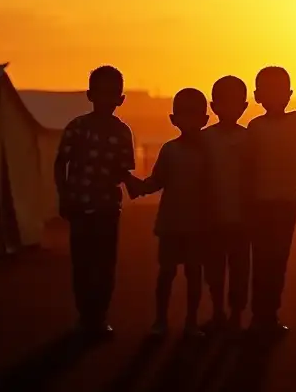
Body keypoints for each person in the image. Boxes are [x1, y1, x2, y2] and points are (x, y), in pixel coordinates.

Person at [246, 45, 296, 339]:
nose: (276, 96)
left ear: (289, 95)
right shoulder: (255, 127)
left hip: (285, 204)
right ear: (258, 97)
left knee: (277, 261)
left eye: (280, 90)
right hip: (260, 204)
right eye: (269, 90)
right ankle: (259, 316)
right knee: (263, 260)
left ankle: (269, 315)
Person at [54, 65, 137, 338]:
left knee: (105, 264)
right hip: (79, 206)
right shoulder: (77, 127)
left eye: (112, 94)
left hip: (108, 210)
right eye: (101, 93)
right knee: (82, 264)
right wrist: (63, 196)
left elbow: (123, 170)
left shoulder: (123, 133)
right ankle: (84, 316)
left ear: (120, 98)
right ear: (90, 95)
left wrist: (137, 185)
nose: (106, 99)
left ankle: (99, 316)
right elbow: (61, 163)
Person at [128, 88, 211, 338]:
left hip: (197, 226)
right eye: (184, 114)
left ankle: (191, 322)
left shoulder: (208, 151)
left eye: (194, 114)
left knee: (194, 274)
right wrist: (139, 186)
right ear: (174, 119)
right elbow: (157, 181)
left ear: (205, 119)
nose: (190, 120)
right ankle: (161, 320)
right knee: (167, 273)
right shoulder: (170, 150)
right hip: (171, 224)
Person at [202, 75, 252, 334]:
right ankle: (219, 311)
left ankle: (234, 314)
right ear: (214, 106)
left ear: (243, 107)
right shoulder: (204, 139)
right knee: (215, 269)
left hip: (242, 219)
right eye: (224, 102)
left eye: (235, 103)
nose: (230, 108)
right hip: (212, 217)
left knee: (239, 269)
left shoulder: (250, 139)